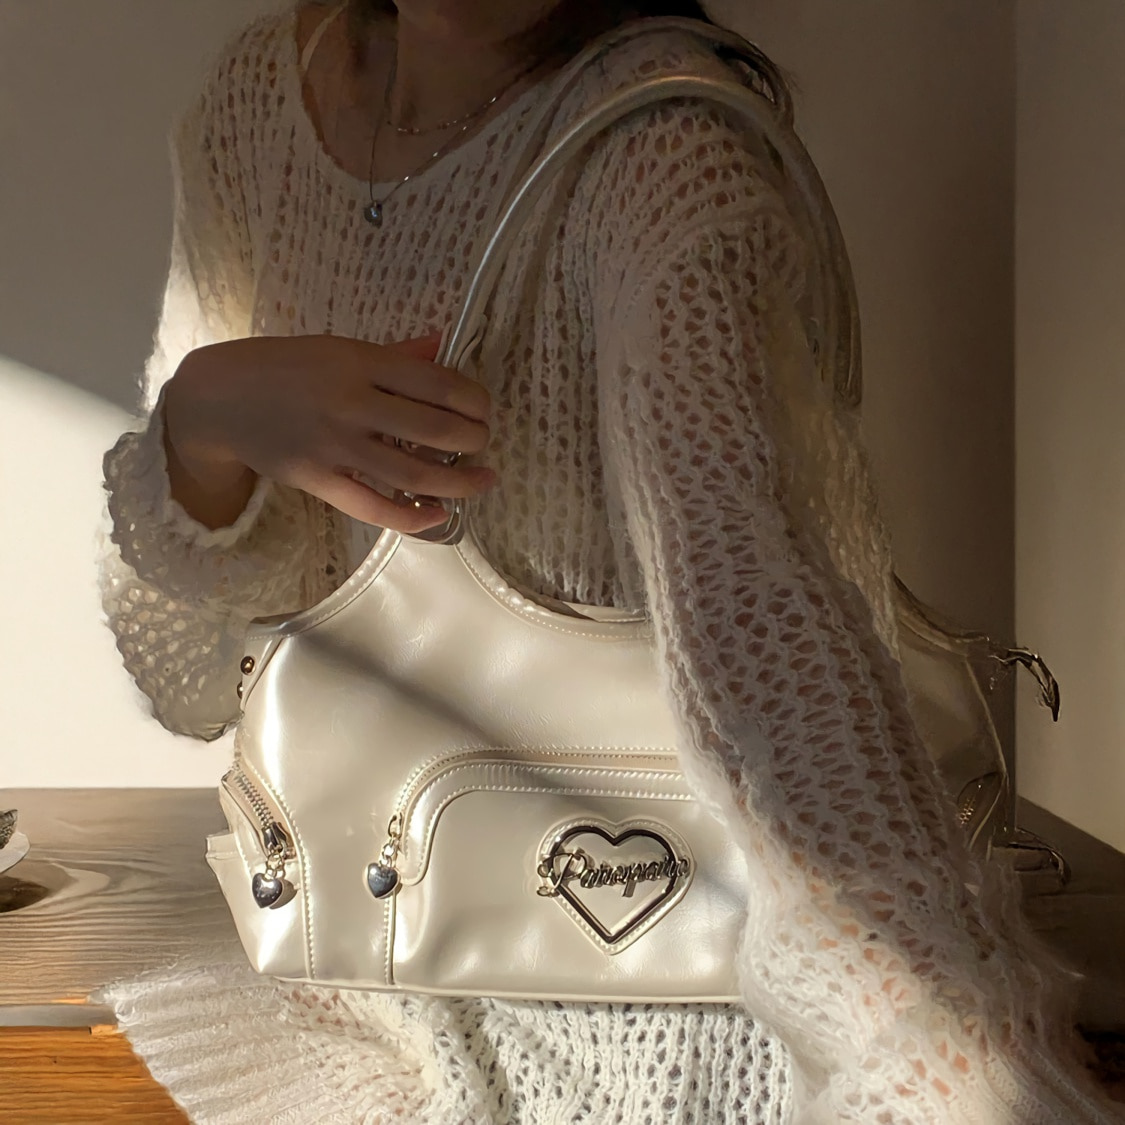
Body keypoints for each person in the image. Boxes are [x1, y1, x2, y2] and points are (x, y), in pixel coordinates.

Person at [98, 1, 1123, 1122]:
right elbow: (186, 675)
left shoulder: (664, 150)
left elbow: (760, 622)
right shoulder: (259, 106)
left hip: (660, 1008)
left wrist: (936, 1053)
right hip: (350, 956)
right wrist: (203, 421)